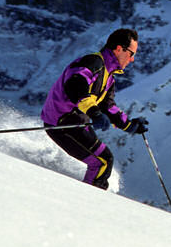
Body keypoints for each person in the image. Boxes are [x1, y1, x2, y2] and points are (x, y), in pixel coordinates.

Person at [41, 28, 149, 190]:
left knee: (104, 160)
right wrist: (94, 112)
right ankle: (90, 205)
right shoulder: (93, 63)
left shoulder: (109, 77)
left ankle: (91, 199)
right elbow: (75, 85)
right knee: (103, 161)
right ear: (119, 49)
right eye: (131, 54)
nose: (132, 59)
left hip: (77, 122)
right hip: (62, 122)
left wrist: (130, 125)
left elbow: (108, 107)